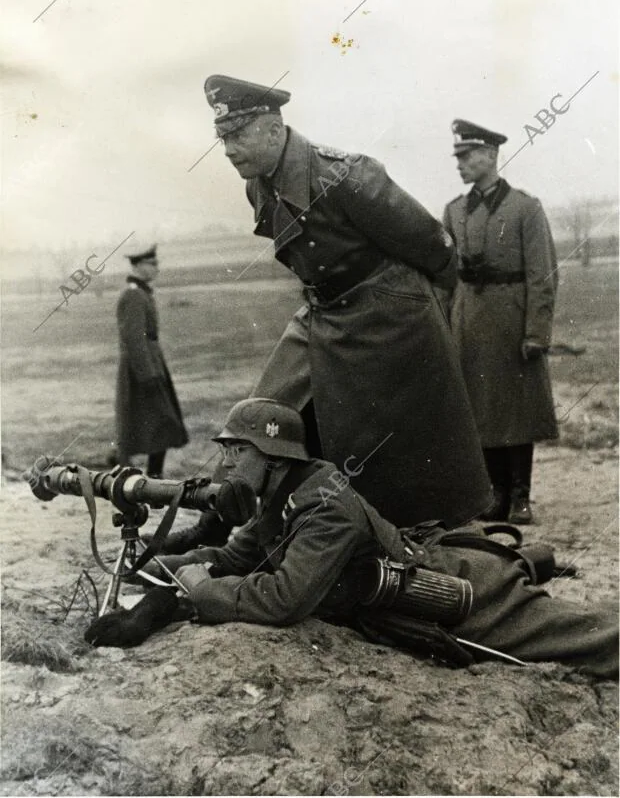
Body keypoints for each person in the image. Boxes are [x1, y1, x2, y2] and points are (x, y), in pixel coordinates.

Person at [86, 399, 618, 679]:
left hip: (462, 595)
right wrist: (162, 566)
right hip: (418, 570)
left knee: (588, 643)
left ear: (272, 458)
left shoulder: (324, 506)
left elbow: (281, 600)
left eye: (236, 451)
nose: (225, 461)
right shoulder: (280, 492)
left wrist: (199, 589)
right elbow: (235, 556)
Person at [201, 75, 492, 530]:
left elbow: (434, 246)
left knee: (388, 443)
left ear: (275, 130)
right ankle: (222, 519)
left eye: (238, 135)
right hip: (323, 312)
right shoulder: (259, 184)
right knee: (261, 413)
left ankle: (394, 533)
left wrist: (413, 308)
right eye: (223, 138)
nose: (229, 150)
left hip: (387, 315)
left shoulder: (346, 175)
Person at [442, 120, 559, 525]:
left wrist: (536, 332)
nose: (460, 164)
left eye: (468, 156)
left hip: (512, 319)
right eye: (458, 157)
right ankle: (496, 493)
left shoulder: (526, 208)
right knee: (480, 408)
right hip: (469, 319)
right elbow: (444, 275)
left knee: (517, 408)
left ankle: (521, 497)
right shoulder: (455, 211)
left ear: (491, 156)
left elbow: (542, 274)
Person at [114, 244, 188, 477]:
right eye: (151, 264)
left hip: (151, 364)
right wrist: (147, 375)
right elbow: (134, 339)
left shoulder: (141, 292)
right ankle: (142, 477)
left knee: (162, 423)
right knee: (153, 423)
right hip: (142, 370)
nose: (156, 268)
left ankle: (153, 476)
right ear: (137, 265)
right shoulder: (134, 295)